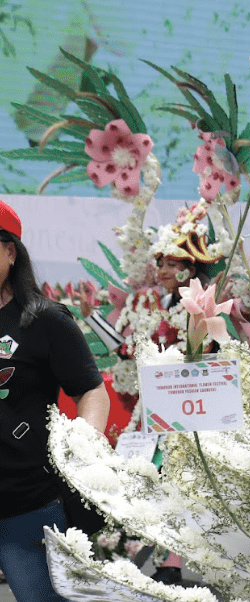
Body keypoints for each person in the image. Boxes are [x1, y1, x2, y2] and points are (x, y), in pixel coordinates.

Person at [0, 199, 110, 601]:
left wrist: (85, 444)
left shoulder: (45, 320)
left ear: (10, 252)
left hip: (28, 505)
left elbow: (91, 390)